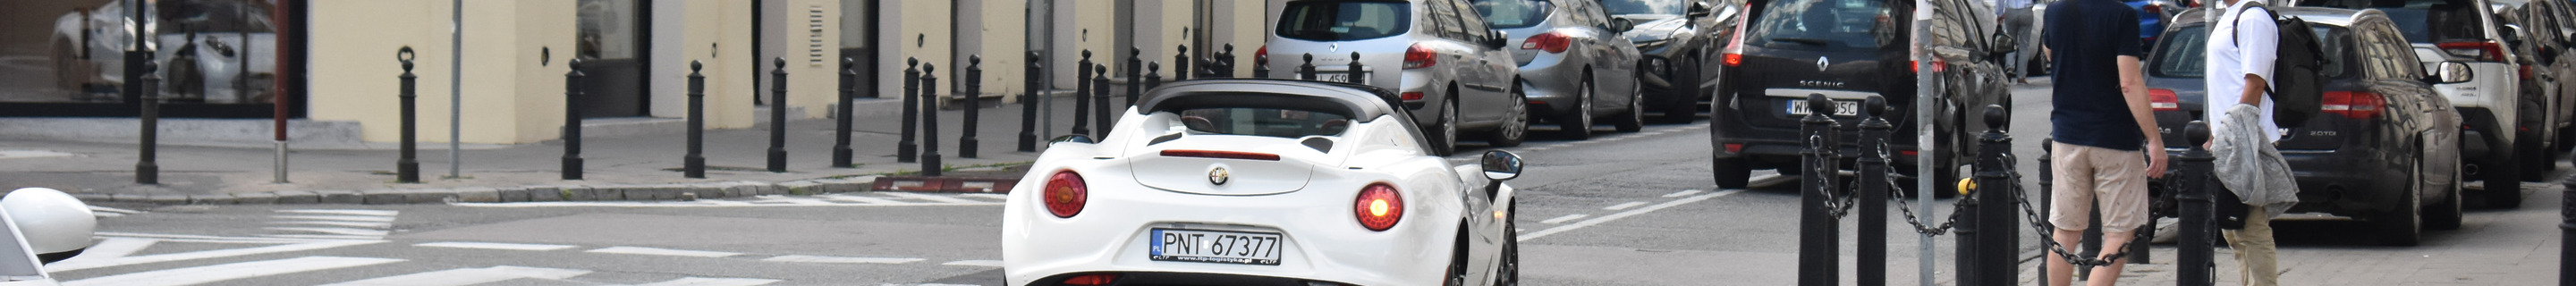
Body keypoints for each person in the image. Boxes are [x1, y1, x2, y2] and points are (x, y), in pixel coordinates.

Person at [2041, 0, 2162, 283]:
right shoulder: (2122, 16)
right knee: (2119, 234)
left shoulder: (2055, 11)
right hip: (2115, 137)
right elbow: (2129, 81)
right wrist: (2154, 139)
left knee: (2065, 232)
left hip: (2067, 135)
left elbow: (2050, 50)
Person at [2206, 0, 2297, 284]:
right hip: (2229, 138)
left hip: (2246, 139)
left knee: (2251, 228)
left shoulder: (2253, 18)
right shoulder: (2231, 16)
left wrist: (2235, 133)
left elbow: (2255, 82)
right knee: (2234, 229)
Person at [2002, 0, 2039, 83]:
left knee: (2011, 41)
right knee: (2024, 45)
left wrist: (2000, 12)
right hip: (2026, 10)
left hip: (2010, 10)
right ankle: (2021, 76)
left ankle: (2010, 67)